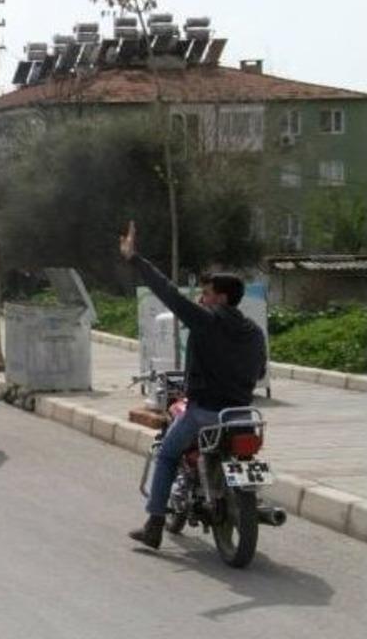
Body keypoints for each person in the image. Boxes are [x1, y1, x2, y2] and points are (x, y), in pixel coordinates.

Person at [120, 220, 267, 549]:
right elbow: (259, 373)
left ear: (222, 298)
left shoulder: (207, 319)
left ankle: (155, 523)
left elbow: (168, 293)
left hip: (205, 412)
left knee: (167, 454)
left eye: (207, 293)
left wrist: (134, 258)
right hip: (242, 414)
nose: (201, 298)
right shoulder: (254, 332)